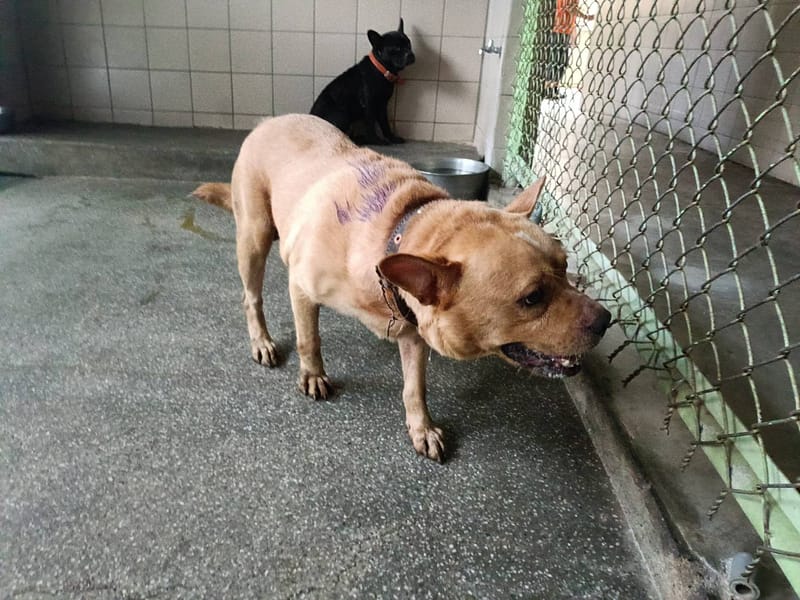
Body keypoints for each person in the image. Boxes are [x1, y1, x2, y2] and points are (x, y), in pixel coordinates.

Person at [545, 0, 595, 99]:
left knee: (557, 61)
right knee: (559, 62)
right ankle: (550, 89)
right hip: (561, 30)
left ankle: (551, 89)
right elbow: (571, 9)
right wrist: (586, 17)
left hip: (561, 28)